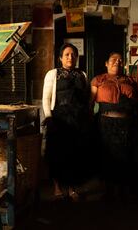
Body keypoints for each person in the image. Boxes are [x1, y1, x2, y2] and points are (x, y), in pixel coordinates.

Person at [42, 43, 91, 201]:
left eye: (73, 54)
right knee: (57, 154)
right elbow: (46, 99)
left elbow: (87, 98)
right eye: (67, 54)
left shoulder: (82, 74)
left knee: (75, 155)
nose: (71, 57)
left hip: (78, 121)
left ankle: (71, 188)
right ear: (60, 58)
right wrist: (49, 118)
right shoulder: (53, 74)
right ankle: (57, 187)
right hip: (59, 120)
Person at [90, 52, 138, 199]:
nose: (116, 62)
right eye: (113, 60)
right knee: (107, 156)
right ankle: (108, 190)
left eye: (120, 60)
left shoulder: (130, 80)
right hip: (105, 124)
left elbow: (137, 103)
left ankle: (123, 190)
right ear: (106, 63)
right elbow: (90, 103)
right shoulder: (98, 80)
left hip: (126, 124)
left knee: (126, 156)